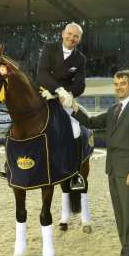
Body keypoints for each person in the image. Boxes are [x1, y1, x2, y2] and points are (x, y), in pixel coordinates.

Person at [71, 70, 129, 256]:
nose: (119, 87)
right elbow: (92, 123)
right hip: (113, 169)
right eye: (116, 84)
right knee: (120, 216)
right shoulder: (114, 108)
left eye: (123, 84)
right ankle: (124, 255)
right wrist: (72, 106)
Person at [36, 22, 88, 190]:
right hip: (42, 92)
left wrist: (64, 94)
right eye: (70, 34)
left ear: (79, 40)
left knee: (75, 128)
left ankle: (75, 173)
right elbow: (42, 73)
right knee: (21, 117)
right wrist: (56, 89)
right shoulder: (49, 48)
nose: (72, 38)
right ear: (62, 33)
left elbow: (80, 85)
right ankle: (10, 165)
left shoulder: (80, 59)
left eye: (76, 36)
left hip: (64, 99)